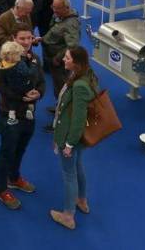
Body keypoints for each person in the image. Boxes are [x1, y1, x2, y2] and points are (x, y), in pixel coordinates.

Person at [0, 24, 45, 210]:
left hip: (29, 114)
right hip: (9, 115)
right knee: (7, 151)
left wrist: (38, 93)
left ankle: (14, 178)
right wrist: (20, 96)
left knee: (21, 148)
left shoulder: (35, 59)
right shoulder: (6, 58)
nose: (26, 42)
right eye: (22, 38)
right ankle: (1, 189)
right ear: (14, 39)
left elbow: (41, 82)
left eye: (29, 38)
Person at [50, 46, 97, 230]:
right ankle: (81, 200)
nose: (64, 60)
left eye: (67, 58)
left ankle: (68, 216)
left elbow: (78, 118)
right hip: (79, 137)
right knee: (78, 166)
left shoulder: (79, 86)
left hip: (71, 136)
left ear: (76, 63)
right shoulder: (86, 74)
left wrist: (69, 144)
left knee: (69, 174)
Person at [35, 0, 80, 129]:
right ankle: (60, 107)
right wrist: (43, 39)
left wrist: (58, 58)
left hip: (60, 63)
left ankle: (61, 122)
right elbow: (55, 34)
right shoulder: (60, 16)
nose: (54, 11)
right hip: (53, 59)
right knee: (58, 89)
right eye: (53, 7)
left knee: (63, 91)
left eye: (57, 8)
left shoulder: (71, 24)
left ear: (66, 8)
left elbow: (72, 46)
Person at [0, 41, 35, 125]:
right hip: (24, 85)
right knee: (29, 94)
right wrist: (32, 63)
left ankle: (11, 117)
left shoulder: (3, 64)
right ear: (15, 56)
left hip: (11, 87)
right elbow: (28, 73)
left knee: (12, 102)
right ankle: (29, 108)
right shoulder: (20, 65)